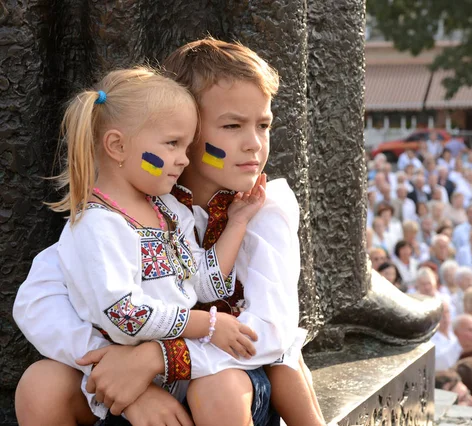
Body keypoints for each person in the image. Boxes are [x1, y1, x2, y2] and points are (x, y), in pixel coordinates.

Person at [14, 38, 324, 426]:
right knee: (40, 385)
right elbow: (39, 298)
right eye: (232, 125)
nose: (254, 144)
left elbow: (267, 331)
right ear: (186, 128)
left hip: (226, 379)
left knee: (218, 389)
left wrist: (155, 358)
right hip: (144, 382)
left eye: (264, 125)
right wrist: (123, 378)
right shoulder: (133, 204)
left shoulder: (264, 206)